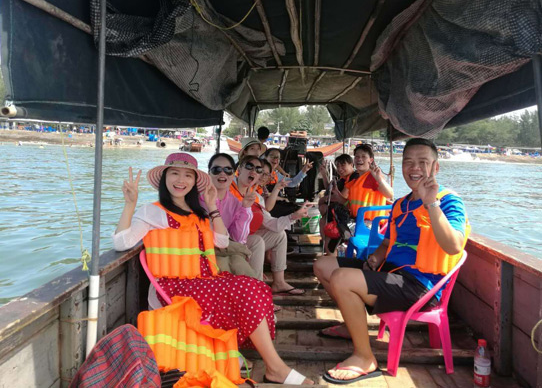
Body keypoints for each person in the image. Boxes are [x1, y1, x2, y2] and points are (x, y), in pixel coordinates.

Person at [113, 152, 313, 385]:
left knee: (257, 288)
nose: (181, 180)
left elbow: (222, 241)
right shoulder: (152, 211)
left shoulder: (196, 212)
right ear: (165, 178)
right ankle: (275, 368)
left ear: (194, 181)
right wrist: (130, 205)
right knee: (245, 289)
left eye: (188, 175)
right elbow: (121, 243)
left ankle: (263, 363)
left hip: (202, 282)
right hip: (173, 287)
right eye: (175, 173)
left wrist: (211, 207)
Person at [314, 138, 469, 384]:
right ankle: (351, 325)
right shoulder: (400, 204)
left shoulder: (449, 200)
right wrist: (376, 256)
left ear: (436, 167)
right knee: (322, 265)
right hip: (391, 273)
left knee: (342, 278)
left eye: (423, 162)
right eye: (408, 162)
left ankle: (365, 358)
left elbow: (454, 246)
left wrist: (431, 203)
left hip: (420, 286)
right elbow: (387, 243)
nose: (414, 168)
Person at [229, 155, 309, 295]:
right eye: (249, 166)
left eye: (258, 170)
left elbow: (271, 223)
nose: (254, 172)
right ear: (239, 169)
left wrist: (294, 216)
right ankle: (257, 292)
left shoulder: (256, 197)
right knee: (257, 241)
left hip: (245, 238)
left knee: (279, 235)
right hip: (229, 240)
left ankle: (279, 282)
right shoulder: (227, 189)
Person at [203, 153, 257, 278]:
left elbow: (238, 238)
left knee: (240, 265)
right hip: (205, 249)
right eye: (216, 169)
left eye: (228, 170)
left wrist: (245, 208)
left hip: (225, 248)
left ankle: (258, 287)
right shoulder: (198, 198)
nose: (222, 173)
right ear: (209, 173)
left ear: (233, 174)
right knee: (225, 265)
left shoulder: (235, 202)